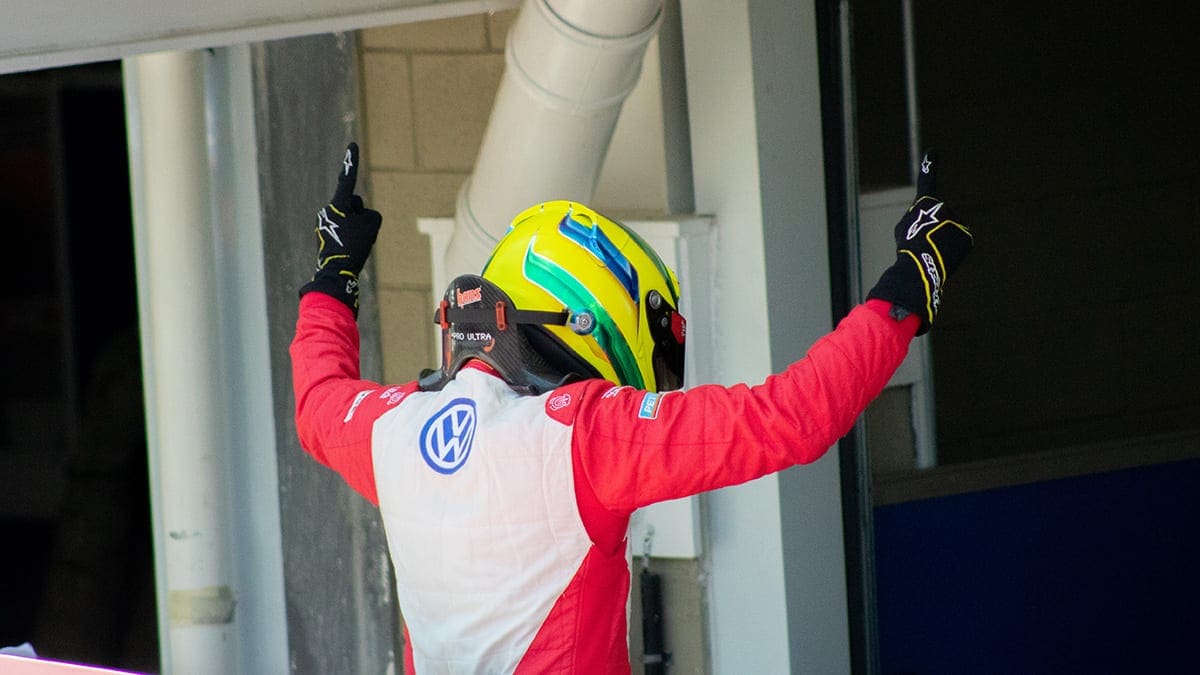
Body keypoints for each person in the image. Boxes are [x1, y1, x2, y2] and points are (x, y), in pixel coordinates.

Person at [290, 143, 972, 673]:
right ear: (592, 313)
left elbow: (317, 399)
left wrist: (333, 273)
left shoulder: (393, 427)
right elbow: (794, 416)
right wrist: (908, 286)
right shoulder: (585, 435)